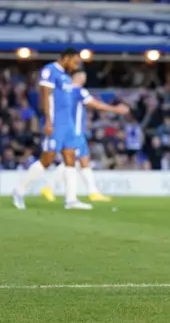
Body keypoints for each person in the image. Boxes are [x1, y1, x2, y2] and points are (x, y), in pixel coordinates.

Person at [13, 48, 93, 210]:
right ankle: (19, 190)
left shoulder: (65, 76)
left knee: (70, 158)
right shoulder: (50, 71)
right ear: (67, 57)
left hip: (68, 124)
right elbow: (45, 96)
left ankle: (71, 200)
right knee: (47, 159)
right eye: (75, 61)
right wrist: (48, 121)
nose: (75, 65)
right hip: (56, 124)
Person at [46, 70, 130, 201]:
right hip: (75, 132)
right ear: (78, 77)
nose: (84, 79)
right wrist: (116, 109)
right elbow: (96, 105)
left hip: (70, 130)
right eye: (83, 76)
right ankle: (49, 187)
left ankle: (93, 192)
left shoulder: (63, 92)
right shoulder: (79, 91)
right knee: (72, 161)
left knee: (84, 161)